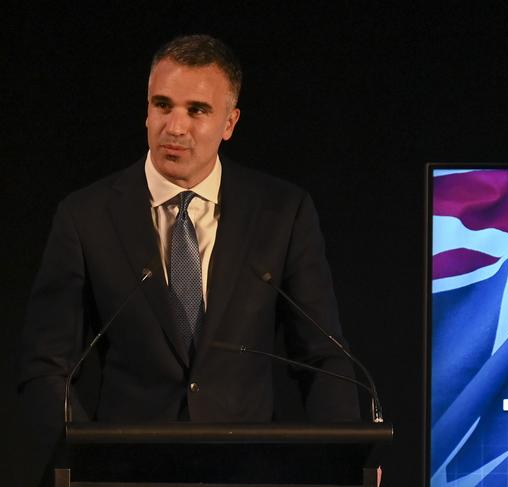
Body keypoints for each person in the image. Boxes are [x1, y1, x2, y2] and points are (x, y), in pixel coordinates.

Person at [18, 34, 360, 485]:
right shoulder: (86, 216)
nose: (174, 127)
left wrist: (346, 460)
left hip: (249, 471)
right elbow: (47, 364)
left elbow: (323, 355)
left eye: (196, 110)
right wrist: (80, 456)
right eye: (162, 105)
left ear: (229, 123)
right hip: (123, 472)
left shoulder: (282, 212)